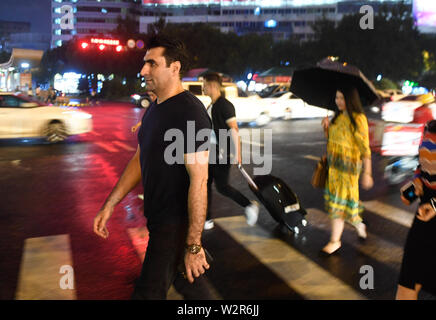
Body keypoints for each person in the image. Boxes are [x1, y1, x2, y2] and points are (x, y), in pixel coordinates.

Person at [93, 36, 214, 300]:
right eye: (144, 64)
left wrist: (193, 245)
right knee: (191, 285)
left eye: (152, 64)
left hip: (174, 225)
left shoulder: (189, 113)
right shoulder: (155, 108)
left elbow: (200, 181)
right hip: (158, 221)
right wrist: (110, 203)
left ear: (175, 68)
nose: (143, 70)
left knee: (148, 294)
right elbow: (139, 159)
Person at [202, 72, 259, 230]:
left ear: (213, 86)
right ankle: (207, 219)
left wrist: (237, 154)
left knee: (222, 187)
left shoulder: (225, 105)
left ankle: (249, 205)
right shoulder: (212, 105)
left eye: (205, 85)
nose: (203, 88)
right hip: (212, 151)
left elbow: (234, 129)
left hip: (222, 152)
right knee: (205, 184)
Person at [320, 86, 374, 255]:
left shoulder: (358, 119)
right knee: (347, 204)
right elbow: (332, 143)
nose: (339, 102)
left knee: (339, 205)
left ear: (351, 100)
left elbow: (365, 149)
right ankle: (359, 225)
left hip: (349, 172)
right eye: (337, 98)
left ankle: (335, 241)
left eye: (342, 98)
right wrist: (326, 128)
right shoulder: (336, 118)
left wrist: (367, 173)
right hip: (334, 170)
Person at [397, 119, 436, 300]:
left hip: (433, 208)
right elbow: (422, 166)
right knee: (408, 280)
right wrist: (417, 184)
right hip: (425, 214)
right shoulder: (430, 128)